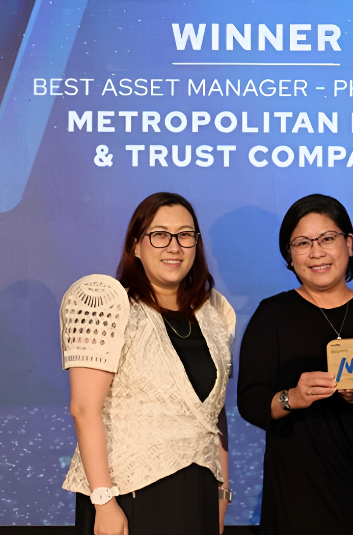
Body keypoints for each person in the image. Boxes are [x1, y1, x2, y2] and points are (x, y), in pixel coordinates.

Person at [237, 194, 353, 535]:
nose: (316, 252)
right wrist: (294, 396)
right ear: (289, 256)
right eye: (302, 243)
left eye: (327, 239)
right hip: (295, 478)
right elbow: (250, 402)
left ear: (348, 244)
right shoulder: (272, 314)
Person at [61, 192, 236, 535]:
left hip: (196, 494)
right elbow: (84, 408)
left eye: (186, 235)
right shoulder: (106, 304)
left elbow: (214, 414)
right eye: (160, 235)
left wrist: (221, 494)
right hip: (128, 495)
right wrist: (104, 502)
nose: (174, 246)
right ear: (136, 246)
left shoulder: (215, 312)